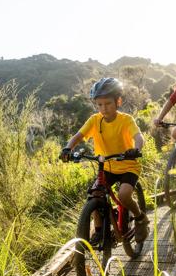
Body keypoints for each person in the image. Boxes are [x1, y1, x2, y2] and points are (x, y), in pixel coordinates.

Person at [59, 77, 149, 243]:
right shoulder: (94, 120)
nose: (104, 108)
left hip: (128, 166)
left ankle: (140, 217)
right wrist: (67, 148)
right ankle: (100, 231)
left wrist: (136, 149)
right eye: (99, 104)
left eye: (107, 103)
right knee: (94, 195)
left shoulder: (126, 120)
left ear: (118, 101)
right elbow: (78, 136)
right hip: (106, 167)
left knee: (123, 195)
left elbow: (138, 137)